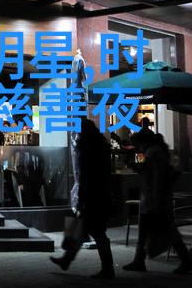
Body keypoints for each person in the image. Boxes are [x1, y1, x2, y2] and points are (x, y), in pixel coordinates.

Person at [50, 118, 115, 279]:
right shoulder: (101, 147)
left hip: (92, 197)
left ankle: (107, 268)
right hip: (101, 195)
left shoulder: (88, 149)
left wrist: (81, 199)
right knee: (84, 229)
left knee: (95, 232)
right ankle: (67, 260)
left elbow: (86, 177)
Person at [123, 133, 192, 274]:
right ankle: (140, 260)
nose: (137, 148)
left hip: (154, 201)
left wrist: (156, 199)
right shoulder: (156, 152)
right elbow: (151, 173)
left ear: (142, 142)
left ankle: (185, 260)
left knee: (164, 231)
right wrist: (136, 167)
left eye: (137, 144)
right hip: (155, 199)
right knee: (157, 230)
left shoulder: (153, 153)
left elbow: (157, 177)